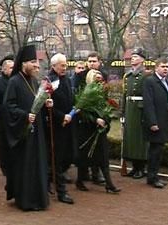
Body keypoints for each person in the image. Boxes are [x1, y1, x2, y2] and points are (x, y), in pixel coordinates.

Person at [3, 45, 52, 211]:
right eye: (33, 62)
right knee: (26, 165)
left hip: (36, 130)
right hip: (22, 132)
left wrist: (46, 104)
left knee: (38, 163)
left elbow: (35, 102)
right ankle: (25, 200)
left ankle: (38, 198)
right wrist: (24, 116)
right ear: (24, 63)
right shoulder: (14, 81)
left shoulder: (34, 80)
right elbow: (8, 106)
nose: (36, 65)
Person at [75, 69, 121, 193]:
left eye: (100, 76)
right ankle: (79, 180)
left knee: (103, 156)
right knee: (84, 157)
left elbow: (105, 108)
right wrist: (96, 119)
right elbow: (81, 111)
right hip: (87, 130)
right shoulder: (86, 92)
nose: (99, 78)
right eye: (96, 76)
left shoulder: (102, 92)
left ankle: (109, 184)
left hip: (99, 131)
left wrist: (105, 119)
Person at [143, 57, 168, 188]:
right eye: (163, 66)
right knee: (155, 151)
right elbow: (148, 103)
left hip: (166, 121)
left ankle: (154, 176)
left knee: (159, 150)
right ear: (156, 67)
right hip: (156, 122)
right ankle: (152, 178)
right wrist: (152, 122)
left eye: (167, 67)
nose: (165, 69)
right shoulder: (150, 81)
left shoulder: (166, 82)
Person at [73, 52, 106, 184]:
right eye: (89, 61)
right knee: (84, 146)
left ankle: (96, 173)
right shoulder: (80, 76)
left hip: (99, 115)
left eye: (94, 61)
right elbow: (76, 95)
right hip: (84, 117)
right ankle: (83, 173)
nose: (91, 64)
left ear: (100, 62)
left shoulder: (104, 76)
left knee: (97, 145)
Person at [47, 53, 75, 204]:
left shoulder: (66, 79)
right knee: (56, 159)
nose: (65, 68)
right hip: (55, 126)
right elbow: (47, 106)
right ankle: (61, 191)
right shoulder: (50, 81)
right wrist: (61, 116)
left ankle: (48, 183)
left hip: (67, 124)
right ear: (54, 66)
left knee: (66, 156)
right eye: (62, 65)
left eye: (66, 65)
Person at [121, 48, 149, 179]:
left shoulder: (146, 75)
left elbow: (149, 96)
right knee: (130, 139)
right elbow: (124, 95)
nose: (133, 59)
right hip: (129, 109)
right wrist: (122, 113)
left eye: (136, 57)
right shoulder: (127, 76)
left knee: (139, 139)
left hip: (140, 110)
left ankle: (141, 168)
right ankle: (134, 167)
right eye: (132, 57)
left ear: (142, 59)